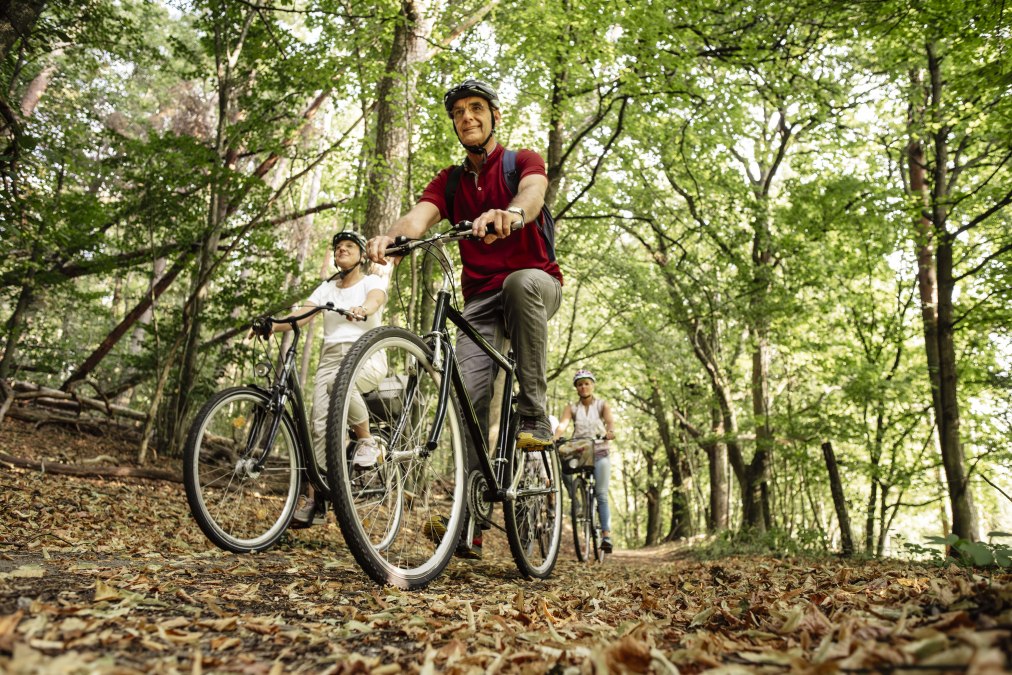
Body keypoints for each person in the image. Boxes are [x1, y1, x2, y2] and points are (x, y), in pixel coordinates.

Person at [366, 79, 563, 557]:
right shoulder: (450, 181)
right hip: (480, 304)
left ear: (495, 116)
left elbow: (534, 194)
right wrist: (389, 241)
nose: (468, 117)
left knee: (518, 283)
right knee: (467, 397)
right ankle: (470, 520)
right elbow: (417, 218)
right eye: (459, 112)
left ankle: (533, 411)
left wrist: (512, 214)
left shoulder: (522, 162)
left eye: (477, 109)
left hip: (535, 284)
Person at [258, 230, 388, 528]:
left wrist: (362, 310)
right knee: (318, 426)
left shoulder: (371, 281)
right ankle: (314, 498)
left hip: (365, 353)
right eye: (338, 247)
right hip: (330, 357)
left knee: (339, 386)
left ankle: (367, 441)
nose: (341, 250)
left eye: (349, 246)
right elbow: (300, 315)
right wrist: (271, 325)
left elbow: (375, 300)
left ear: (361, 255)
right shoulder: (326, 288)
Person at [553, 369, 615, 553]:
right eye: (580, 384)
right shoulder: (571, 407)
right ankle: (577, 500)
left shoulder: (602, 405)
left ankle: (606, 535)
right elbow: (563, 425)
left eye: (587, 383)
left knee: (601, 494)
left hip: (599, 452)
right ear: (576, 388)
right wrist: (555, 437)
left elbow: (610, 422)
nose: (583, 387)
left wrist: (609, 432)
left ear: (592, 385)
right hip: (579, 451)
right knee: (563, 468)